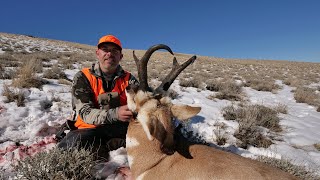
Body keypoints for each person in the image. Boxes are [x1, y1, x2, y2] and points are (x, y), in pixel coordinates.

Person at [57, 35, 139, 159]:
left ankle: (111, 147)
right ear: (98, 53)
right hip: (90, 128)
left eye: (115, 51)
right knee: (69, 149)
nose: (109, 53)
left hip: (122, 128)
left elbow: (142, 103)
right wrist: (116, 114)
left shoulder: (129, 79)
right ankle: (110, 147)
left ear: (120, 56)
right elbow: (85, 112)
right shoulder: (83, 77)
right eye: (105, 49)